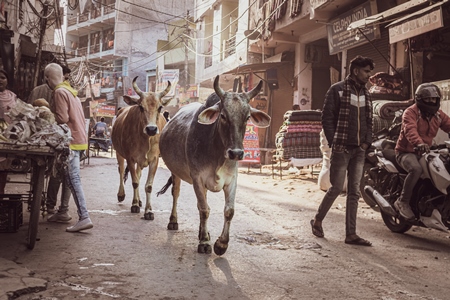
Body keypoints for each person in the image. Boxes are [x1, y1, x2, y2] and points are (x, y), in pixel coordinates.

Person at [311, 56, 374, 246]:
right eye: (366, 71)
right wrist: (334, 142)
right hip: (341, 148)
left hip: (359, 150)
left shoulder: (366, 93)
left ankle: (351, 234)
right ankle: (317, 220)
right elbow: (326, 118)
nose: (368, 76)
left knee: (354, 191)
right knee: (336, 188)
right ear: (356, 71)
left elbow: (369, 121)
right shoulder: (336, 90)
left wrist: (366, 142)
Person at [44, 63, 93, 232]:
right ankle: (63, 212)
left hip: (71, 142)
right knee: (68, 178)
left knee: (73, 180)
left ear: (47, 78)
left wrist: (46, 113)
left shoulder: (59, 92)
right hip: (79, 140)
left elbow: (62, 118)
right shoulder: (71, 93)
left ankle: (84, 217)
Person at [394, 83, 450, 220]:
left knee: (440, 168)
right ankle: (403, 201)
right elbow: (410, 130)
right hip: (406, 152)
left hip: (425, 152)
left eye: (434, 99)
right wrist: (419, 143)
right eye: (428, 99)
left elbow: (448, 124)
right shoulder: (411, 112)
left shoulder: (437, 114)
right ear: (420, 99)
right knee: (416, 169)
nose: (431, 102)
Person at [28, 66, 74, 218]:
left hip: (60, 139)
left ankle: (53, 207)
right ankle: (37, 199)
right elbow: (28, 114)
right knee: (38, 170)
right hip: (38, 138)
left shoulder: (66, 92)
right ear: (47, 77)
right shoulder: (38, 91)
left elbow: (67, 118)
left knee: (59, 172)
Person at [0, 69, 18, 194]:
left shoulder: (13, 97)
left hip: (8, 136)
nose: (0, 80)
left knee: (3, 171)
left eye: (3, 77)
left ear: (7, 81)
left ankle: (0, 195)